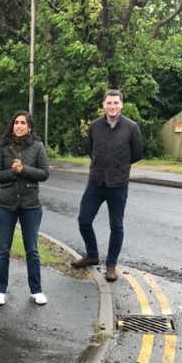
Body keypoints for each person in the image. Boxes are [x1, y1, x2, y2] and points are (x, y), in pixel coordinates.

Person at [71, 90, 143, 282]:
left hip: (118, 184)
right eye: (109, 103)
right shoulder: (94, 127)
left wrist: (119, 166)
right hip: (96, 181)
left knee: (116, 226)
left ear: (122, 105)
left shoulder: (131, 128)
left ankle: (111, 266)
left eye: (116, 103)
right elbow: (90, 149)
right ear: (103, 105)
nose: (112, 106)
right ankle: (92, 255)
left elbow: (137, 154)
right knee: (84, 220)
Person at [0, 111, 50, 306]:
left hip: (30, 205)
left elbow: (44, 173)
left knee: (32, 249)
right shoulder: (4, 146)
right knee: (3, 249)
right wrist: (13, 173)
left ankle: (36, 290)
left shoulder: (38, 146)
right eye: (16, 122)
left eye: (23, 123)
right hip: (6, 204)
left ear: (29, 127)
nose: (19, 126)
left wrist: (24, 169)